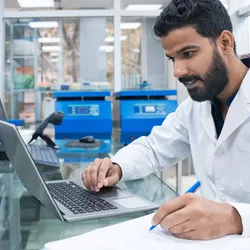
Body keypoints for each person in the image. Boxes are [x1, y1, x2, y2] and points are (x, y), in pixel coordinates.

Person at [82, 0, 250, 240]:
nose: (178, 71)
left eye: (188, 53)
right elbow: (153, 149)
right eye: (172, 59)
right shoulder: (195, 107)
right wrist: (116, 167)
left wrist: (236, 218)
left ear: (225, 42)